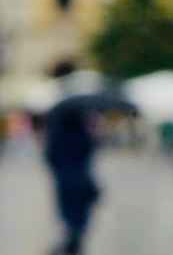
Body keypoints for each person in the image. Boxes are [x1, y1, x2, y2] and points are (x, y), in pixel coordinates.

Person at [39, 61, 107, 255]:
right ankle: (73, 240)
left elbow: (60, 142)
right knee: (75, 205)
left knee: (71, 204)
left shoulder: (65, 105)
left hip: (69, 167)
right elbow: (89, 143)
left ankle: (73, 242)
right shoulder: (77, 105)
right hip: (74, 166)